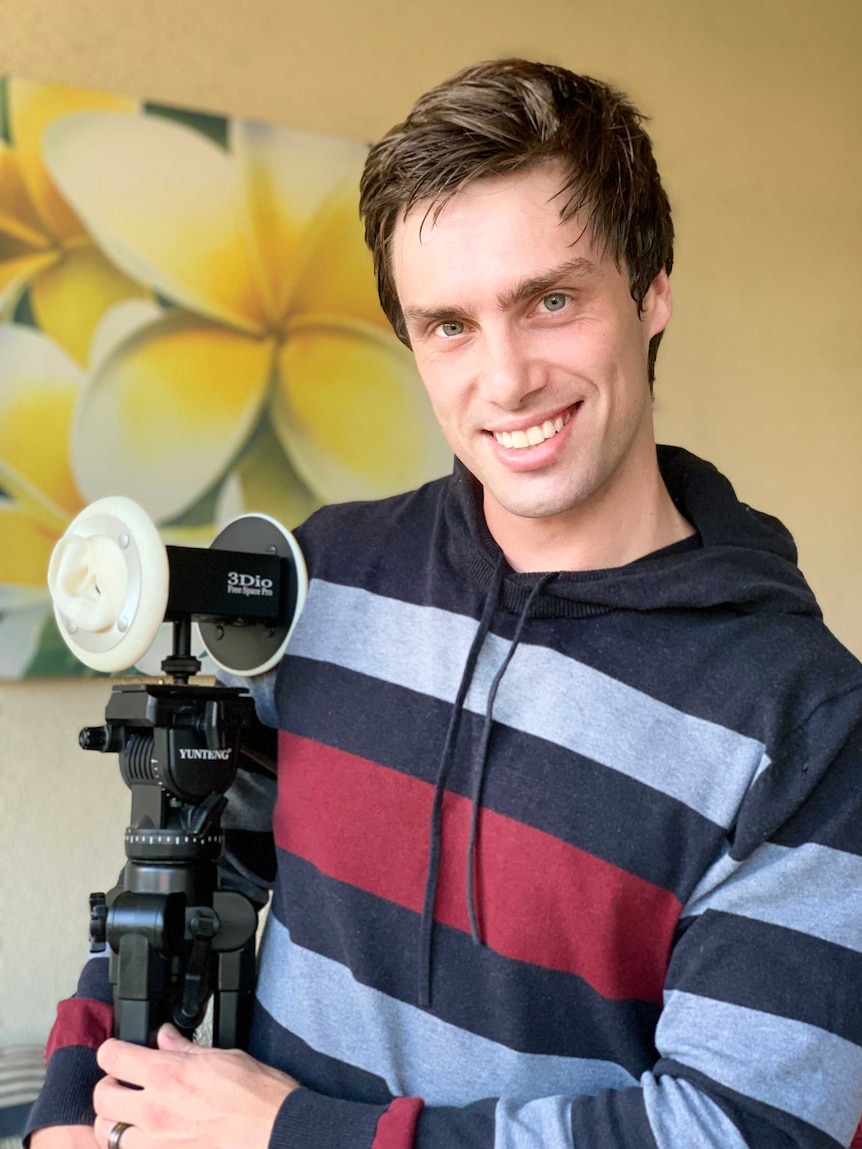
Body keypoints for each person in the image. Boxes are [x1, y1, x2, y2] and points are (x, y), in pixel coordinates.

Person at [28, 57, 862, 1149]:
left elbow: (740, 1130)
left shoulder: (806, 725)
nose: (505, 378)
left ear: (650, 290)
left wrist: (302, 1137)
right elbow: (186, 862)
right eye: (449, 325)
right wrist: (65, 1110)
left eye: (550, 300)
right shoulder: (326, 576)